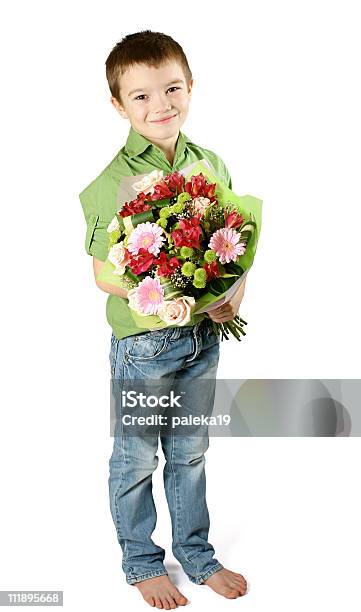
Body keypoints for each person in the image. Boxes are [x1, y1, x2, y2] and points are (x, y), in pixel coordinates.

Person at [79, 30, 247, 609]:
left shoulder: (210, 163)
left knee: (192, 450)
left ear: (190, 87)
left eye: (172, 89)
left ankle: (197, 556)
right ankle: (142, 561)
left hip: (202, 338)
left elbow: (235, 245)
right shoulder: (112, 183)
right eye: (142, 96)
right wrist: (153, 297)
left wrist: (233, 296)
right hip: (145, 345)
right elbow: (106, 273)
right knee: (135, 455)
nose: (161, 105)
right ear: (119, 105)